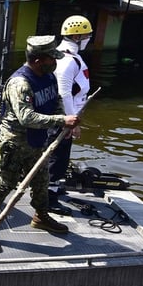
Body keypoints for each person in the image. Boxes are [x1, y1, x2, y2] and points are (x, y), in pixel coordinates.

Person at [0, 35, 80, 253]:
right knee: (4, 184)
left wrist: (63, 119)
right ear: (37, 60)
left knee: (42, 179)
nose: (55, 62)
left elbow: (56, 101)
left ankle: (40, 215)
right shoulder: (20, 83)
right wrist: (62, 121)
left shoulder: (48, 76)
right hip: (14, 142)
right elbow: (26, 117)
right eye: (51, 58)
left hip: (37, 140)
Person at [48, 15, 94, 214]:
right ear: (77, 37)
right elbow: (63, 92)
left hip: (66, 115)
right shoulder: (66, 61)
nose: (89, 39)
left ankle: (54, 188)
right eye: (87, 35)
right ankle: (48, 198)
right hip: (63, 117)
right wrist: (71, 121)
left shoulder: (67, 56)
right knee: (57, 157)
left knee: (61, 155)